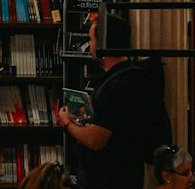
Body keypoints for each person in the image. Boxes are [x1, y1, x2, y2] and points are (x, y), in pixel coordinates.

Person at [58, 12, 171, 189]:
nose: (90, 45)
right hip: (124, 174)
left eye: (92, 39)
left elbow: (97, 140)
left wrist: (68, 124)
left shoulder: (116, 85)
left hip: (109, 178)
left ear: (103, 43)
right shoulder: (130, 75)